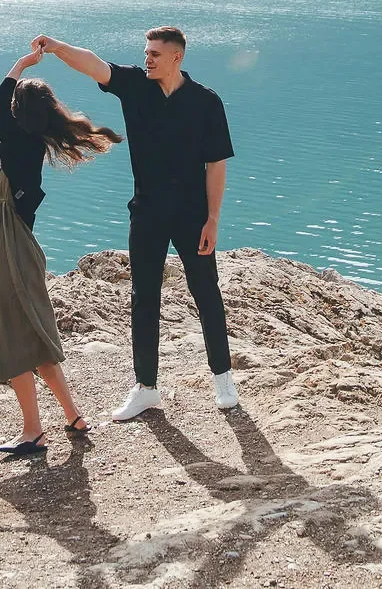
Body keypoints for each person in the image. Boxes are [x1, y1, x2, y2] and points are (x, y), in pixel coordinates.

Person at [32, 27, 239, 420]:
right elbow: (93, 64)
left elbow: (216, 164)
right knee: (144, 297)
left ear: (177, 57)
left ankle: (223, 378)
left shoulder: (206, 102)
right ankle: (146, 387)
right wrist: (57, 47)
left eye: (155, 54)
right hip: (146, 212)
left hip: (193, 215)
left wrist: (213, 218)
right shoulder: (135, 86)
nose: (147, 59)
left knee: (206, 292)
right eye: (146, 52)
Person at [0, 49, 122, 456]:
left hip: (13, 252)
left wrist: (22, 64)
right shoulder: (17, 146)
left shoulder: (22, 144)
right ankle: (73, 417)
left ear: (18, 111)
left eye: (13, 103)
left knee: (11, 336)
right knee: (33, 337)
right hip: (11, 248)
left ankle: (33, 432)